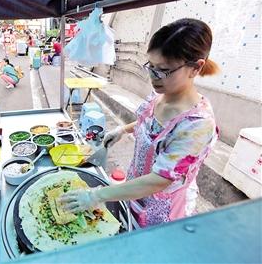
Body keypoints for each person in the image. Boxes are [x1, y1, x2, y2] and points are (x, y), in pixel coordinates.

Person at [60, 18, 220, 228]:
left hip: (162, 208)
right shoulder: (159, 95)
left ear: (195, 68)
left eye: (163, 70)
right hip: (133, 189)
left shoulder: (197, 125)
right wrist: (123, 130)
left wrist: (95, 196)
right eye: (150, 66)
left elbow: (159, 180)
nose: (153, 77)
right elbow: (150, 124)